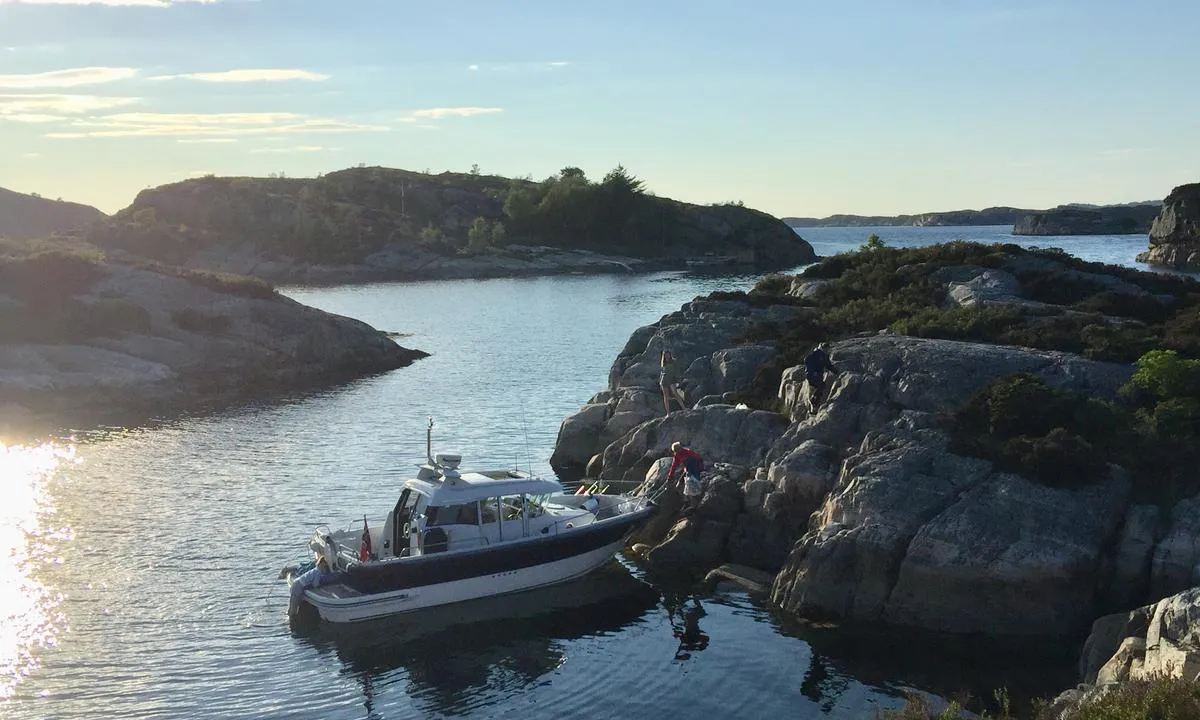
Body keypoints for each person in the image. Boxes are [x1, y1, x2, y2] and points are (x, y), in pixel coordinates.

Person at [666, 441, 705, 509]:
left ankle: (693, 505)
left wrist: (699, 470)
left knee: (691, 487)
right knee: (679, 486)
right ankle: (686, 502)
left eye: (677, 450)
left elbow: (699, 459)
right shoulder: (677, 455)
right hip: (687, 471)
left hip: (694, 471)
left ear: (680, 448)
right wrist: (670, 477)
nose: (676, 452)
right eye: (675, 451)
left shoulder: (688, 452)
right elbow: (674, 466)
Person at [803, 342, 838, 413]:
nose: (827, 350)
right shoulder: (816, 353)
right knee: (820, 386)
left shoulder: (825, 356)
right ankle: (813, 400)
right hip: (812, 375)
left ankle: (814, 407)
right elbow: (806, 360)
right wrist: (812, 371)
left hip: (818, 375)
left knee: (821, 387)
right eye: (826, 349)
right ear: (822, 348)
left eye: (828, 349)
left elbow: (828, 365)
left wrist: (835, 371)